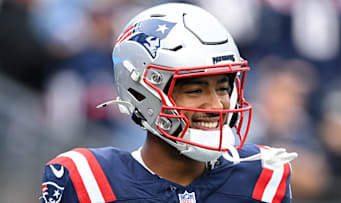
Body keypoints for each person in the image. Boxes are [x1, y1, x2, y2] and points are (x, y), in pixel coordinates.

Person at [41, 3, 297, 203]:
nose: (218, 105)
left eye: (222, 88)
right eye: (196, 90)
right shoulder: (87, 181)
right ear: (142, 92)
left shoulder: (262, 177)